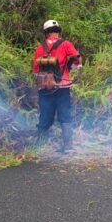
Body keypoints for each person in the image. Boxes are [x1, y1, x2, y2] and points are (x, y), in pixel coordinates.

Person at [32, 19, 81, 152]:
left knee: (44, 116)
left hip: (45, 88)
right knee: (65, 115)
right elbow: (77, 61)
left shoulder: (40, 47)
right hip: (62, 87)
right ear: (58, 31)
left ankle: (38, 147)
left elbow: (36, 70)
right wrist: (69, 66)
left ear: (46, 33)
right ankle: (68, 146)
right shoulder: (66, 44)